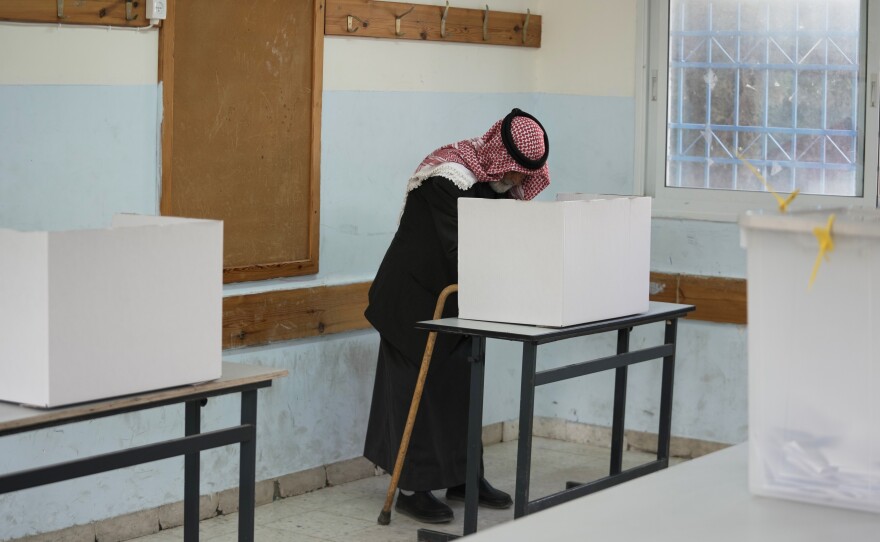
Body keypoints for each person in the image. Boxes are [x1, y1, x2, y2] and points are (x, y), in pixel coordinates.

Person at [363, 108, 551, 524]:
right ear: (501, 156)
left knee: (462, 389)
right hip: (413, 299)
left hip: (459, 303)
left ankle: (465, 477)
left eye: (525, 174)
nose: (519, 181)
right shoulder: (447, 180)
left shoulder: (496, 185)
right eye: (516, 172)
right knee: (417, 391)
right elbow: (458, 248)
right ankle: (413, 486)